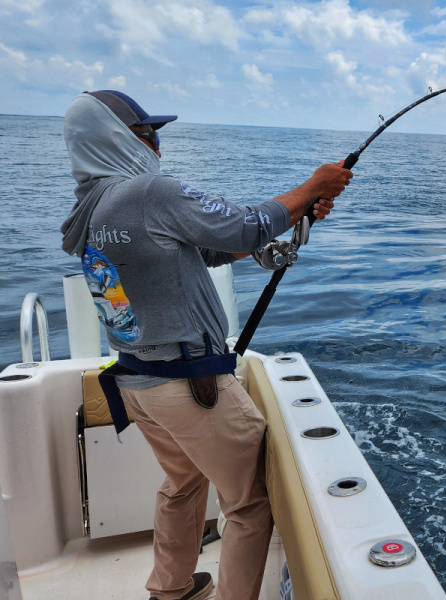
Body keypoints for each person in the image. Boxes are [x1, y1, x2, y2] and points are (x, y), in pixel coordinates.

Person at [60, 90, 352, 600]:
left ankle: (171, 589)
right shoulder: (148, 192)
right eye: (148, 134)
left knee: (183, 483)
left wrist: (292, 218)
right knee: (248, 506)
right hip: (191, 388)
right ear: (114, 138)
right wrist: (313, 186)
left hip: (137, 383)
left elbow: (205, 249)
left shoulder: (90, 209)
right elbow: (243, 226)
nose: (157, 146)